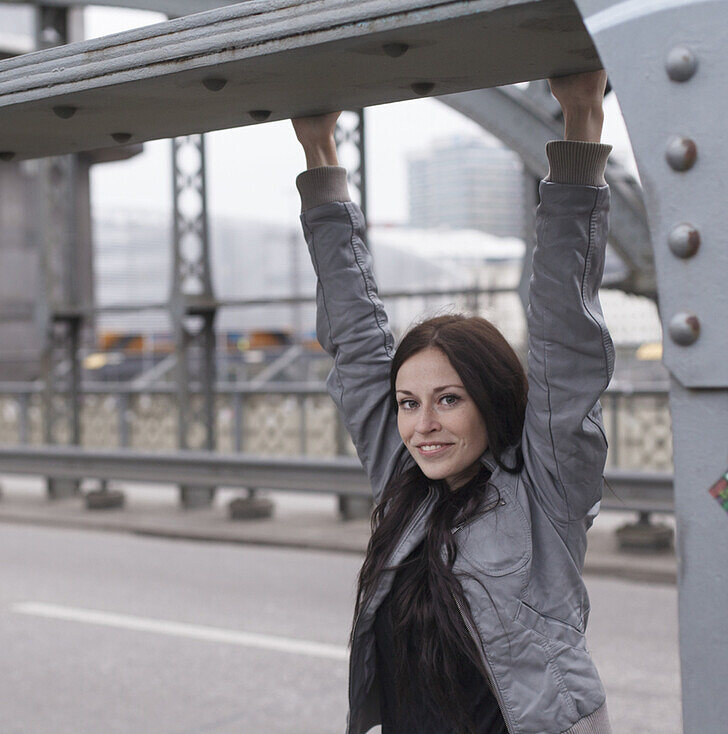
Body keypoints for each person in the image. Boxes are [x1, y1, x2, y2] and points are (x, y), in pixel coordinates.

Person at [290, 70, 614, 734]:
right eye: (408, 403)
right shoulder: (404, 484)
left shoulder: (545, 496)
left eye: (447, 399)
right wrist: (319, 156)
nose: (423, 425)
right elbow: (356, 340)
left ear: (491, 401)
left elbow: (565, 339)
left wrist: (582, 120)